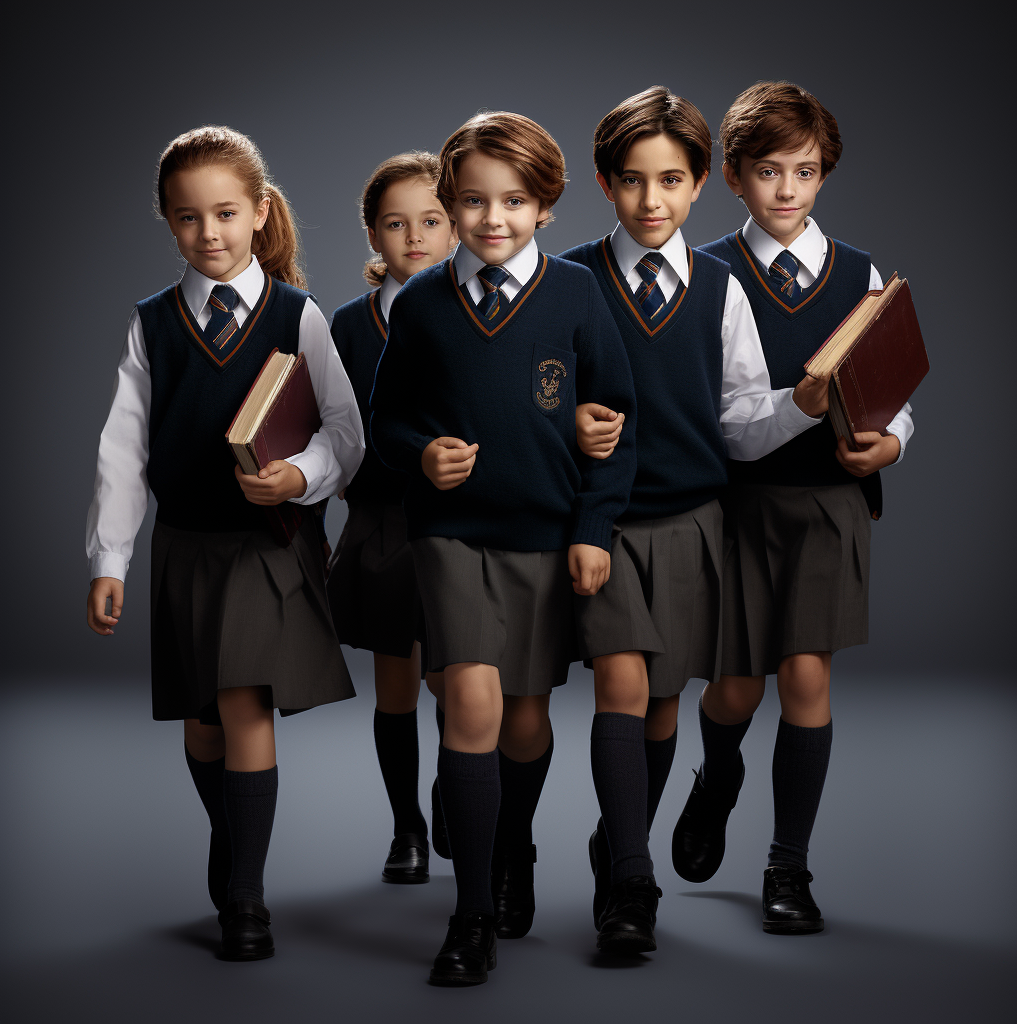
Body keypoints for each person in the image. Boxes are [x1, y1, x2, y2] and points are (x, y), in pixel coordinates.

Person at [85, 126, 364, 960]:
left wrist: (299, 476)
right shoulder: (152, 325)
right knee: (203, 721)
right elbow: (122, 451)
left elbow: (346, 432)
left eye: (227, 213)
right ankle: (233, 839)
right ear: (169, 224)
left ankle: (246, 898)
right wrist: (110, 560)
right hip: (186, 548)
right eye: (188, 218)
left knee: (243, 703)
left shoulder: (297, 313)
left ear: (259, 212)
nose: (209, 233)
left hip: (267, 546)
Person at [370, 111, 636, 983]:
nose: (493, 220)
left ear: (546, 207)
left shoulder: (576, 297)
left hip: (544, 535)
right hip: (451, 538)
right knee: (474, 708)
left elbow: (615, 425)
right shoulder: (418, 306)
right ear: (449, 204)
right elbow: (388, 422)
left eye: (515, 201)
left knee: (524, 721)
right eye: (475, 202)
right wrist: (421, 454)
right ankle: (472, 914)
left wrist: (593, 529)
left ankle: (512, 845)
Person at [564, 85, 828, 952]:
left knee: (665, 706)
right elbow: (531, 397)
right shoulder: (568, 280)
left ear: (701, 182)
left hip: (692, 524)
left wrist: (807, 404)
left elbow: (743, 420)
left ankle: (621, 835)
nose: (652, 201)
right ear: (606, 183)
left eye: (671, 181)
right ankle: (632, 888)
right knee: (622, 686)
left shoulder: (719, 287)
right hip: (601, 523)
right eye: (633, 181)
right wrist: (563, 423)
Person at [688, 81, 915, 933]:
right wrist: (799, 406)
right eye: (768, 171)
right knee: (736, 691)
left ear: (824, 177)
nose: (787, 190)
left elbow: (888, 388)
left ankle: (788, 867)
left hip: (828, 504)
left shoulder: (857, 270)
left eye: (806, 172)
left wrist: (890, 442)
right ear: (734, 176)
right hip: (739, 507)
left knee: (807, 678)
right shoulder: (705, 272)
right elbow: (717, 415)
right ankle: (715, 782)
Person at [327, 151, 454, 884]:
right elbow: (332, 435)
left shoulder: (475, 310)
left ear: (456, 224)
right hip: (379, 519)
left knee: (453, 675)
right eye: (396, 223)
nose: (416, 237)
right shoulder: (348, 325)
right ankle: (405, 825)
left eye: (432, 221)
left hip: (458, 523)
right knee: (395, 680)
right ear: (373, 235)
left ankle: (449, 785)